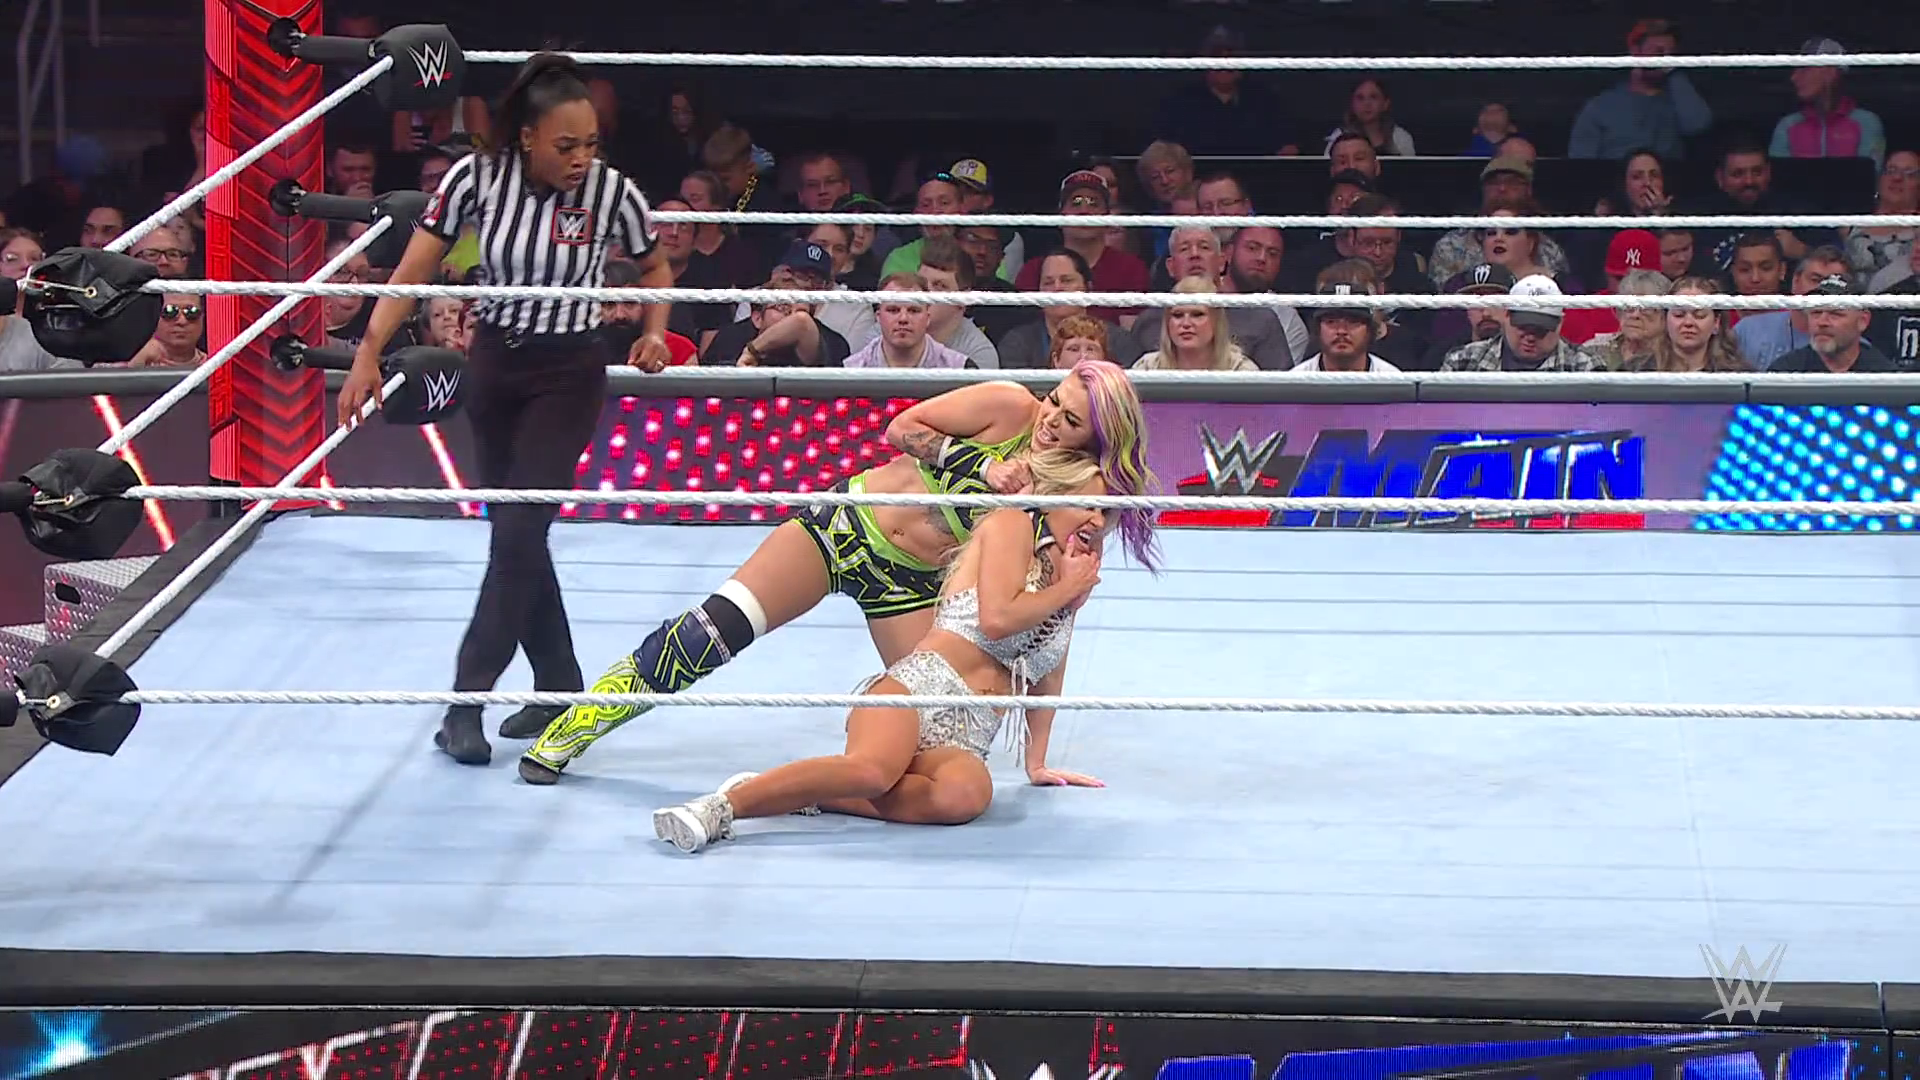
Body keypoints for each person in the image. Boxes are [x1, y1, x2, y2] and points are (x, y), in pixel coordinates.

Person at [513, 360, 1153, 784]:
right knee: (716, 628)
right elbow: (901, 427)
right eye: (1055, 401)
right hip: (844, 527)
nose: (1050, 421)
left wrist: (1038, 758)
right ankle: (572, 729)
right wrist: (980, 467)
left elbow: (1053, 627)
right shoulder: (1009, 407)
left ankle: (817, 788)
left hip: (912, 587)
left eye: (1070, 421)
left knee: (939, 731)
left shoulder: (1076, 497)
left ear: (1096, 438)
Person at [339, 53, 674, 766]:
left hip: (569, 370)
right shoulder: (475, 179)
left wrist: (653, 330)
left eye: (591, 144)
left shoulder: (612, 191)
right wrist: (369, 349)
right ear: (527, 136)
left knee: (518, 533)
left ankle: (465, 703)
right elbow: (415, 268)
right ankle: (558, 684)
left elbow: (655, 266)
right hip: (494, 365)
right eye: (566, 145)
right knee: (517, 533)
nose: (582, 159)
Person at [651, 448, 1162, 853]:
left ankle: (811, 790)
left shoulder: (1071, 578)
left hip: (967, 738)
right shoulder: (1009, 524)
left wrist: (1037, 761)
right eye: (1085, 503)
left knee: (968, 795)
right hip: (915, 692)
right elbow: (998, 618)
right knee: (873, 771)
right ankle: (723, 807)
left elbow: (1050, 665)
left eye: (1105, 511)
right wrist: (1067, 589)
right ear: (1050, 500)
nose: (1096, 519)